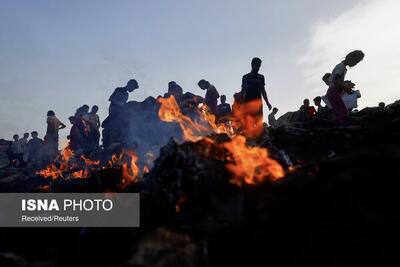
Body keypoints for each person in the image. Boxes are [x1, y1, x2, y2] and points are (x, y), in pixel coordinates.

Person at [326, 50, 365, 122]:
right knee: (343, 113)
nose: (355, 64)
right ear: (351, 58)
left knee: (340, 112)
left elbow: (337, 80)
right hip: (333, 92)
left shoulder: (342, 67)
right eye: (355, 62)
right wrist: (346, 88)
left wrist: (346, 86)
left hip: (334, 92)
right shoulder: (341, 67)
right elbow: (335, 80)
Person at [239, 57, 272, 137]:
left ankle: (259, 139)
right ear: (252, 65)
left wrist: (267, 102)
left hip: (258, 103)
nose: (258, 68)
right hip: (248, 102)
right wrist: (240, 102)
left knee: (258, 122)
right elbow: (243, 90)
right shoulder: (246, 77)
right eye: (256, 65)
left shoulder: (261, 77)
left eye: (259, 66)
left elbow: (263, 90)